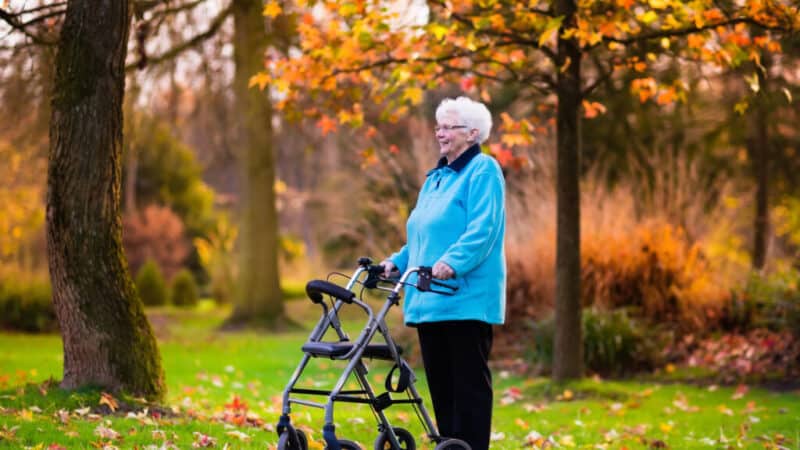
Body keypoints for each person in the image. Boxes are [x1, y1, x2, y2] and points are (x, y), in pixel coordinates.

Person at [381, 96, 506, 450]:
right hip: (429, 299)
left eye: (448, 127)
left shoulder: (483, 170)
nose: (440, 133)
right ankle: (451, 447)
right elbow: (421, 238)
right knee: (443, 393)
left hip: (465, 298)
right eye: (438, 126)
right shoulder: (435, 179)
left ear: (472, 132)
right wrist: (396, 262)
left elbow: (484, 229)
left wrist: (453, 262)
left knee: (468, 392)